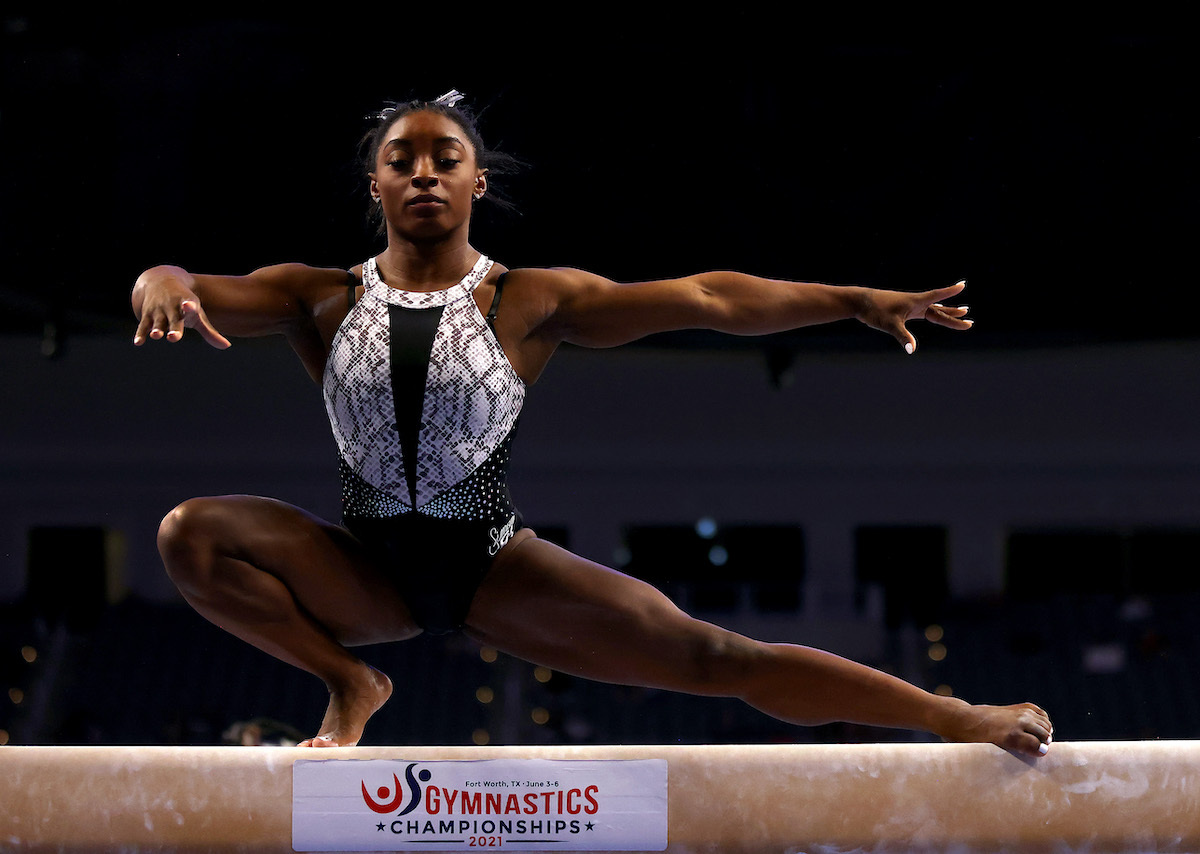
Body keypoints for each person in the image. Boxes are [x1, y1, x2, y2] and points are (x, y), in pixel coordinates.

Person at [131, 90, 1053, 756]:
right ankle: (348, 680)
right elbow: (189, 285)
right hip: (361, 571)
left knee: (715, 655)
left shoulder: (529, 299)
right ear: (373, 184)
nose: (423, 174)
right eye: (401, 161)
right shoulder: (314, 296)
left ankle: (953, 715)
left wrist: (850, 300)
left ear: (476, 183)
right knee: (192, 535)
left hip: (494, 565)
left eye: (443, 159)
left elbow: (706, 295)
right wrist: (164, 279)